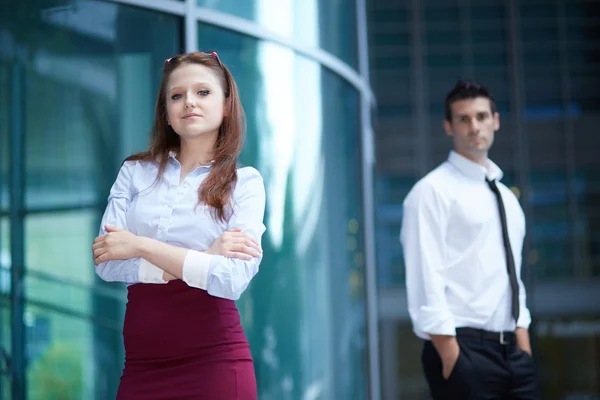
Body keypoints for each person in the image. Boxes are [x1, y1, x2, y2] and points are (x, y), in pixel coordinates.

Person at [91, 51, 266, 399]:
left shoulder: (244, 183)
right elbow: (108, 262)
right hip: (142, 367)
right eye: (177, 95)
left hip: (216, 363)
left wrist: (140, 246)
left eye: (203, 92)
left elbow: (232, 279)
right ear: (166, 112)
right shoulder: (134, 172)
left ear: (226, 105)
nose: (189, 102)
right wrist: (204, 257)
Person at [400, 80, 540, 399]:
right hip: (464, 351)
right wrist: (451, 353)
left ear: (496, 121)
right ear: (449, 127)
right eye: (463, 119)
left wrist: (523, 345)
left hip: (514, 355)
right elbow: (426, 276)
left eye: (481, 116)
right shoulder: (431, 191)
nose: (474, 126)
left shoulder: (507, 198)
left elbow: (513, 277)